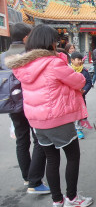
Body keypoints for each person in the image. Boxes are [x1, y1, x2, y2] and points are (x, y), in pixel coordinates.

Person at [5, 24, 93, 207]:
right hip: (57, 118)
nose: (57, 43)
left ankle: (57, 200)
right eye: (55, 40)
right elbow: (79, 81)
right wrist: (60, 58)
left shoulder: (24, 64)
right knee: (73, 156)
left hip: (37, 121)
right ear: (50, 43)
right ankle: (72, 198)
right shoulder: (53, 63)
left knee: (51, 159)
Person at [1, 22, 50, 194]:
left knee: (22, 140)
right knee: (40, 140)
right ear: (25, 37)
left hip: (11, 104)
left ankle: (27, 177)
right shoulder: (29, 55)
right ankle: (35, 181)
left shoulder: (3, 56)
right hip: (30, 103)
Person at [70, 52, 93, 139]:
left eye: (81, 60)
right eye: (78, 60)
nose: (80, 61)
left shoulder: (84, 71)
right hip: (70, 97)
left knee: (80, 113)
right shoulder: (68, 70)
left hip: (81, 96)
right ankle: (73, 128)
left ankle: (79, 129)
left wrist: (84, 90)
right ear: (72, 60)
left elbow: (89, 83)